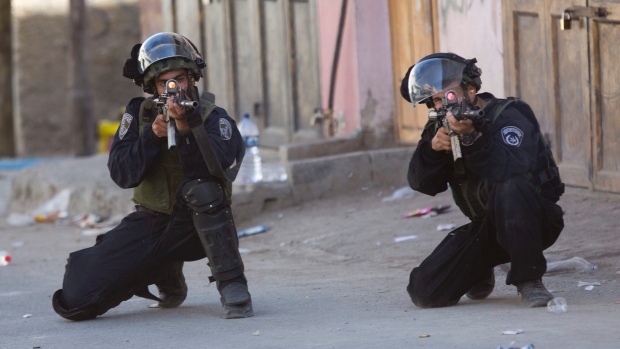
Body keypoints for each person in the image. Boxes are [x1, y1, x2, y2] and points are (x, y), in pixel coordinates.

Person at [52, 32, 253, 320]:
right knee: (76, 299)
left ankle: (233, 284)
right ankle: (163, 270)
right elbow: (122, 174)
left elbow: (215, 170)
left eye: (179, 80)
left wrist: (186, 128)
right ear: (153, 86)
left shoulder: (213, 117)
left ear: (191, 78)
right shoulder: (138, 114)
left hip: (198, 227)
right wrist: (152, 137)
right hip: (151, 221)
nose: (173, 88)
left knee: (204, 190)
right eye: (164, 83)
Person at [400, 52, 565, 308]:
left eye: (450, 94)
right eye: (436, 100)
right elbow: (424, 184)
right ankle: (481, 267)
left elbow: (511, 170)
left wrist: (472, 137)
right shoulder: (440, 127)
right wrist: (432, 150)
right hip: (488, 226)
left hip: (535, 219)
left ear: (471, 88)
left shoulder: (509, 115)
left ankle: (530, 280)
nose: (444, 103)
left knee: (510, 186)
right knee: (425, 291)